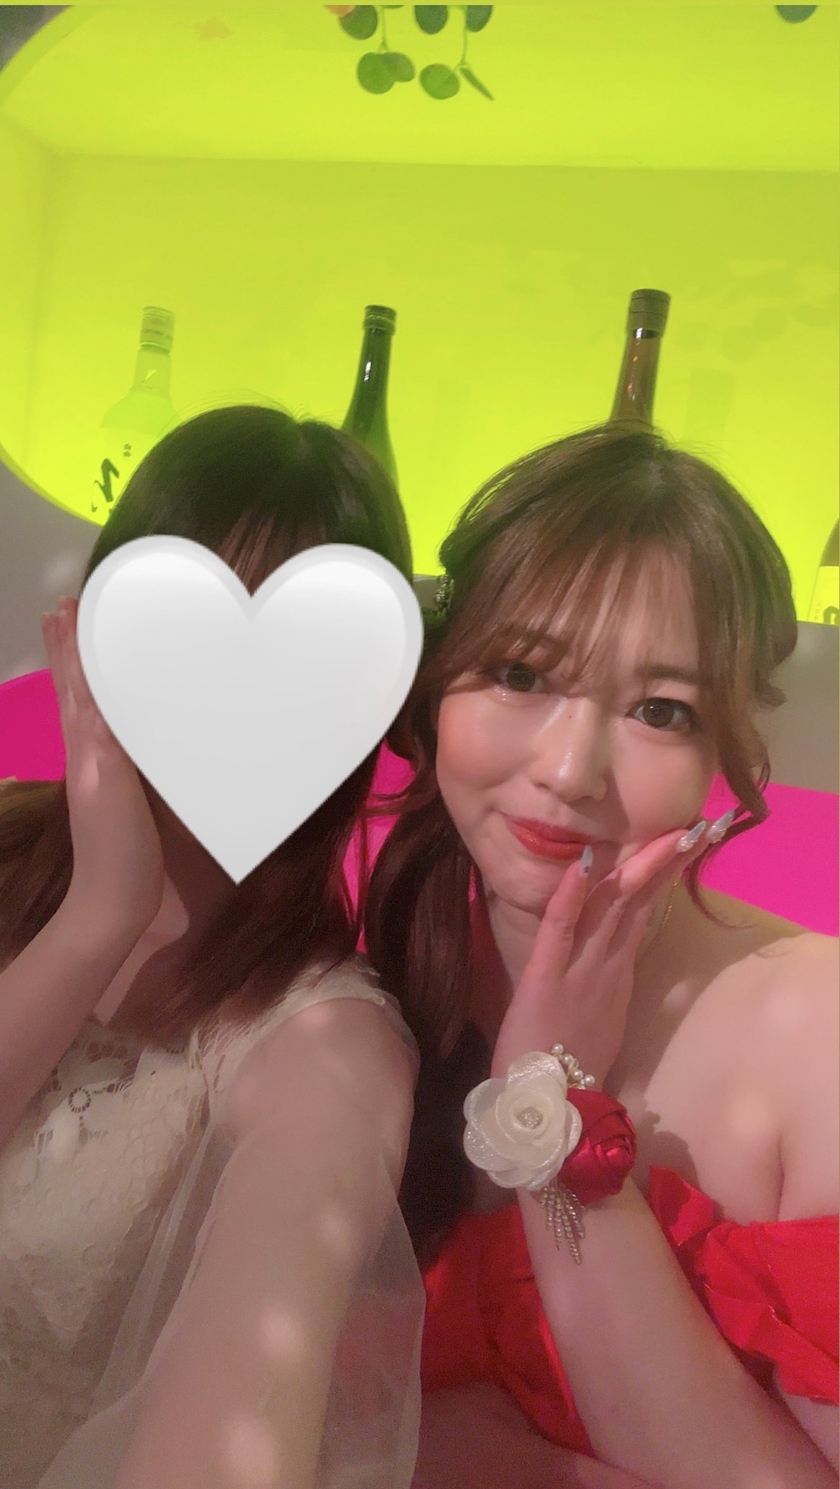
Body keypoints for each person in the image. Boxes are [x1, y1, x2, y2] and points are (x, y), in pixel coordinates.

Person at [363, 423, 839, 1489]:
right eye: (521, 672)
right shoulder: (367, 995)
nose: (572, 769)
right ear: (437, 685)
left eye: (661, 710)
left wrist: (554, 1114)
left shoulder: (820, 1029)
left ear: (725, 747)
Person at [0, 405, 425, 1489]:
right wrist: (96, 914)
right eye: (180, 642)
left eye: (293, 666)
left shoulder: (325, 1036)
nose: (226, 704)